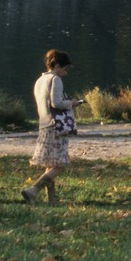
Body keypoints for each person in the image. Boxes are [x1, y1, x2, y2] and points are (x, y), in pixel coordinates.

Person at [23, 49, 81, 203]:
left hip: (44, 124)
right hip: (56, 125)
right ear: (57, 66)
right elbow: (56, 103)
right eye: (65, 69)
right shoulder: (55, 79)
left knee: (51, 163)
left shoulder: (40, 80)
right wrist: (72, 103)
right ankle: (33, 190)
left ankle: (52, 198)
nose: (66, 73)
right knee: (60, 164)